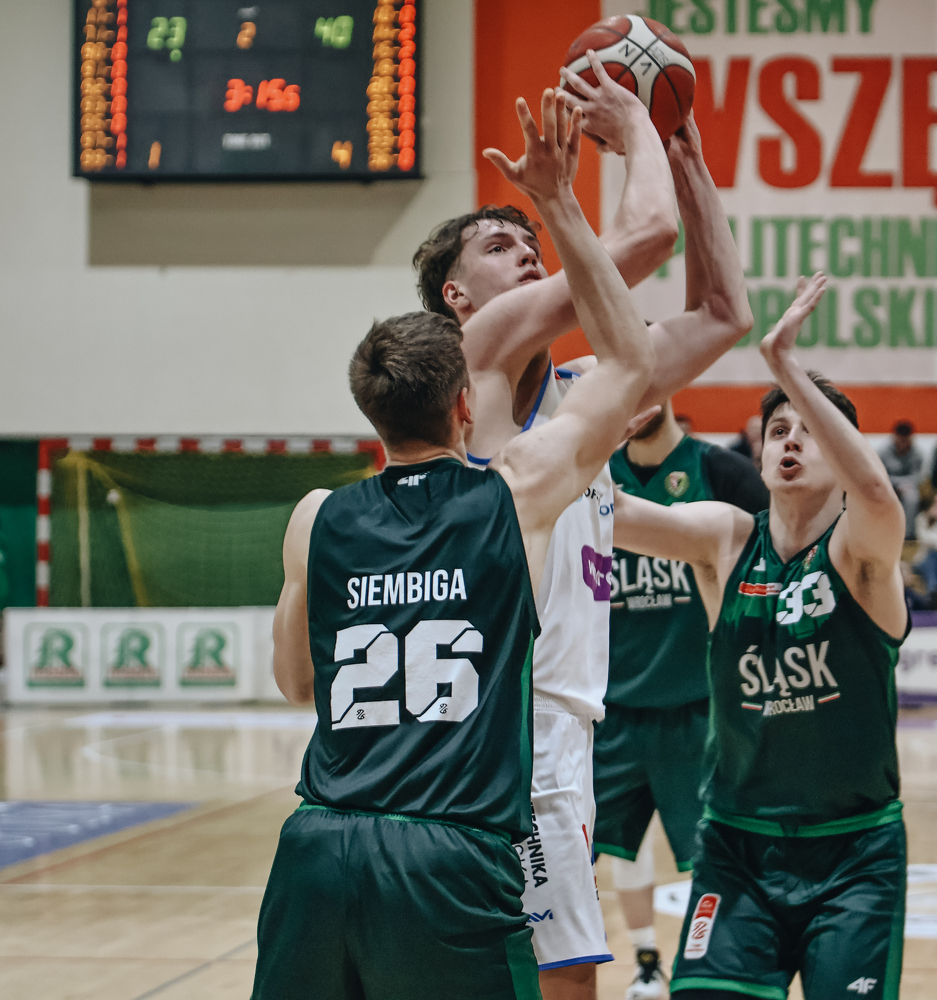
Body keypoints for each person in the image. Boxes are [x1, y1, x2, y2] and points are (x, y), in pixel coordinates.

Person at [253, 92, 654, 999]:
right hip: (454, 834)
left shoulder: (315, 516)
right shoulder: (513, 490)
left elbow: (296, 683)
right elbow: (633, 348)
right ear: (465, 402)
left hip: (320, 839)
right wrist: (567, 196)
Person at [413, 56, 752, 999]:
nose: (528, 250)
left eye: (531, 239)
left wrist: (687, 156)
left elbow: (723, 314)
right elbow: (642, 240)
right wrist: (638, 121)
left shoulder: (579, 406)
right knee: (564, 982)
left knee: (532, 977)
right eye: (499, 246)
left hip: (561, 727)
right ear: (456, 294)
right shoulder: (469, 358)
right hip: (501, 725)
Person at [613, 273, 911, 1000]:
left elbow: (877, 494)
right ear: (758, 455)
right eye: (778, 430)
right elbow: (607, 514)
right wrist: (588, 417)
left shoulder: (861, 554)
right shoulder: (726, 539)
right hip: (737, 848)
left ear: (843, 450)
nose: (790, 440)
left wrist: (783, 363)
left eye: (810, 430)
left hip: (854, 853)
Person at [597, 400, 768, 1000]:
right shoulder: (594, 474)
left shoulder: (721, 472)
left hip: (702, 705)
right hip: (609, 707)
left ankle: (711, 967)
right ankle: (645, 962)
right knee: (606, 849)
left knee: (713, 851)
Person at [877, 420, 923, 535]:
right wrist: (895, 484)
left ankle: (907, 534)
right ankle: (881, 532)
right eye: (900, 440)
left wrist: (903, 485)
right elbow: (878, 473)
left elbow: (917, 476)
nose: (903, 443)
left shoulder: (917, 453)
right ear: (894, 437)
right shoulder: (882, 451)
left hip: (908, 486)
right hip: (886, 485)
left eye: (905, 440)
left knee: (912, 499)